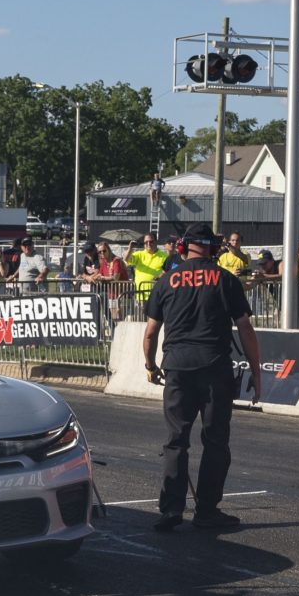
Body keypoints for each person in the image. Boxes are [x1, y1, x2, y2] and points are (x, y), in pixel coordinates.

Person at [142, 224, 261, 532]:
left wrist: (150, 365)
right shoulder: (226, 279)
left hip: (177, 368)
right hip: (214, 368)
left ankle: (171, 510)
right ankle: (207, 510)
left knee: (176, 441)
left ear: (184, 247)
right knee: (216, 441)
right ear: (212, 247)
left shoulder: (166, 280)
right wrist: (257, 373)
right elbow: (245, 329)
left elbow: (151, 332)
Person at [129, 233, 168, 307]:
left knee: (154, 318)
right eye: (146, 242)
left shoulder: (164, 256)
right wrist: (130, 249)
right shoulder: (139, 254)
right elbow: (126, 259)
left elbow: (168, 272)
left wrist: (161, 275)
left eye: (151, 241)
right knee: (139, 318)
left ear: (156, 242)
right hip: (141, 296)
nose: (148, 244)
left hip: (157, 295)